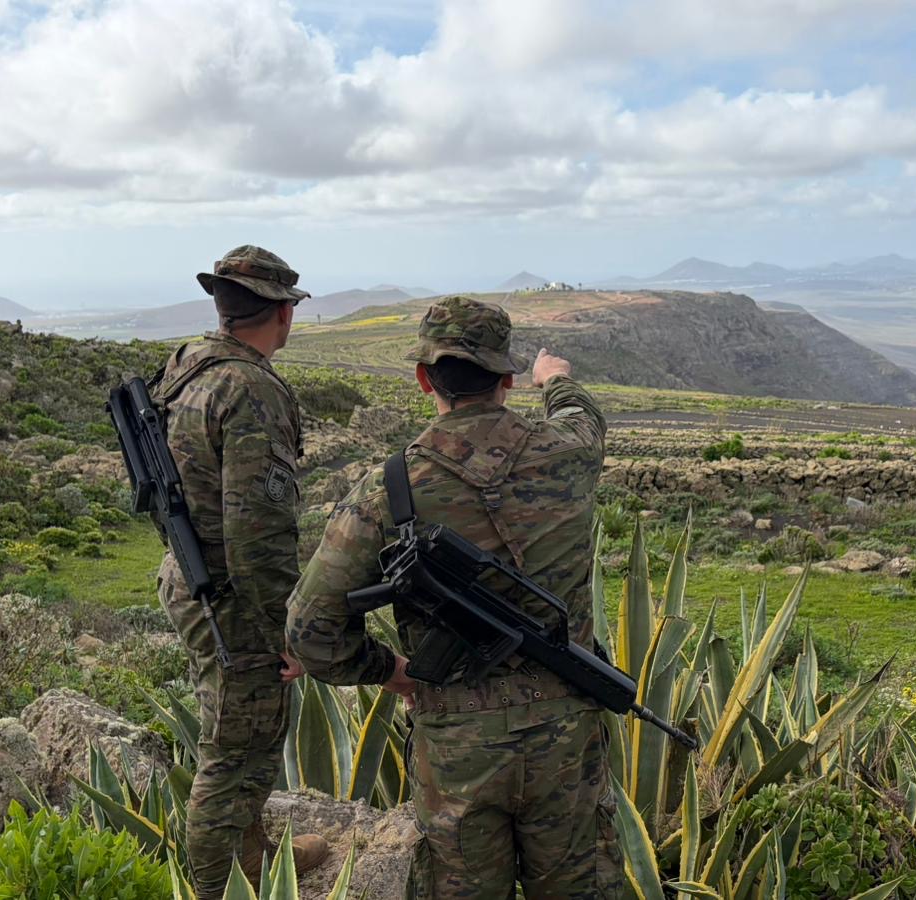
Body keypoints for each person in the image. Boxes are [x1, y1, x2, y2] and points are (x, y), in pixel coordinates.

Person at [287, 295, 624, 898]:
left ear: (424, 379)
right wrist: (556, 379)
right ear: (507, 379)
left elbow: (310, 631)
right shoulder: (570, 452)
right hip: (566, 737)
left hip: (456, 749)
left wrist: (391, 671)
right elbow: (584, 416)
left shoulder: (389, 488)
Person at [151, 245, 331, 897]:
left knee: (237, 729)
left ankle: (250, 852)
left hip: (188, 574)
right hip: (232, 595)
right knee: (235, 750)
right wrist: (287, 631)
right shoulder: (251, 389)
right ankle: (222, 885)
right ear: (282, 313)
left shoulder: (186, 366)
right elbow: (258, 533)